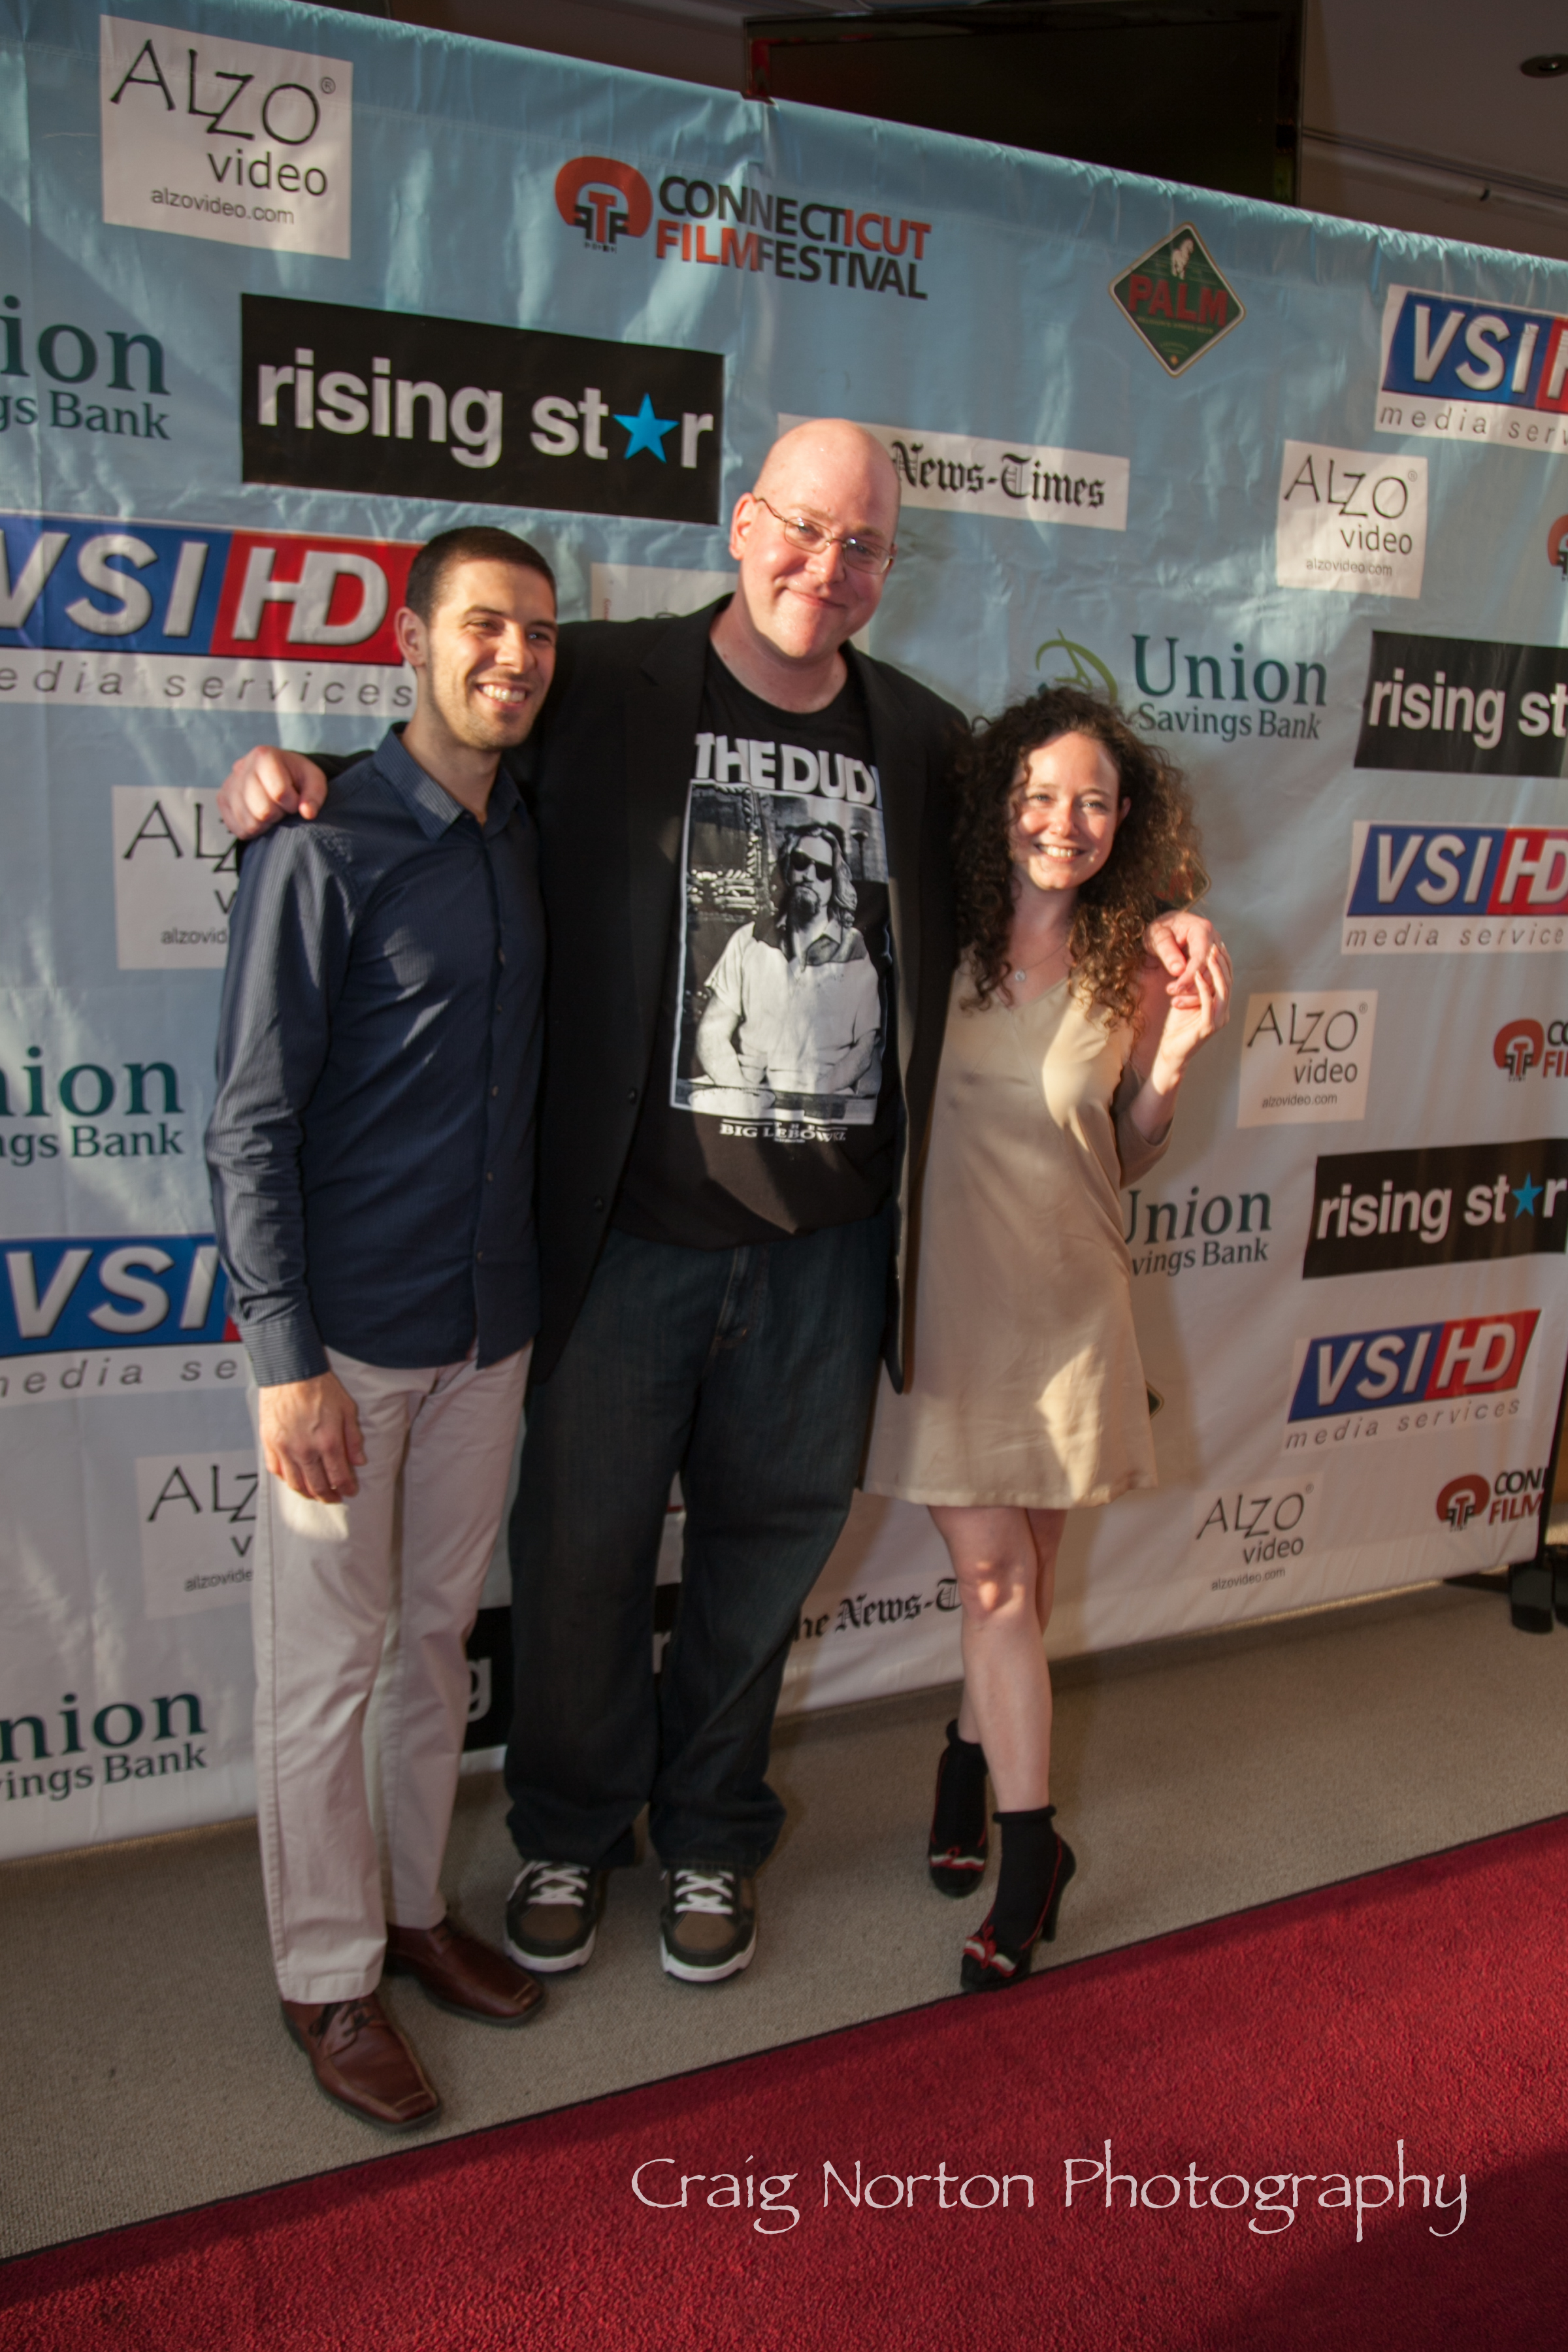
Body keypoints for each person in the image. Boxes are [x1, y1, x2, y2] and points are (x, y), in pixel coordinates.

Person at [214, 419, 1224, 1989]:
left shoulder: (922, 737)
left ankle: (708, 1838)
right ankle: (563, 1826)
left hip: (825, 1256)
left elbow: (1050, 845)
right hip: (625, 1237)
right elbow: (449, 760)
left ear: (893, 566)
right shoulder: (605, 678)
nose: (828, 568)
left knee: (759, 1568)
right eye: (803, 530)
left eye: (865, 545)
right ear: (745, 524)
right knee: (582, 1559)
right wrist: (308, 776)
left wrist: (1164, 922)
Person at [206, 526, 557, 2128]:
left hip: (490, 1329)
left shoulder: (523, 830)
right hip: (340, 1344)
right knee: (324, 1672)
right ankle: (328, 1978)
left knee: (432, 1644)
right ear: (411, 642)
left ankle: (415, 1916)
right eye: (484, 625)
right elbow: (249, 1124)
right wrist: (282, 1360)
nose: (516, 656)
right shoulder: (318, 840)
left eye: (538, 633)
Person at [862, 685, 1229, 1991]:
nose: (1064, 823)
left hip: (1075, 1307)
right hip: (950, 1308)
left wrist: (1173, 1061)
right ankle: (1033, 1862)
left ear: (1124, 823)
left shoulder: (1135, 964)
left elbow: (1120, 1153)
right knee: (997, 1585)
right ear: (995, 806)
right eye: (1040, 794)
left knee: (1024, 1578)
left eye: (1093, 801)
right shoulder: (932, 935)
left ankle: (965, 1772)